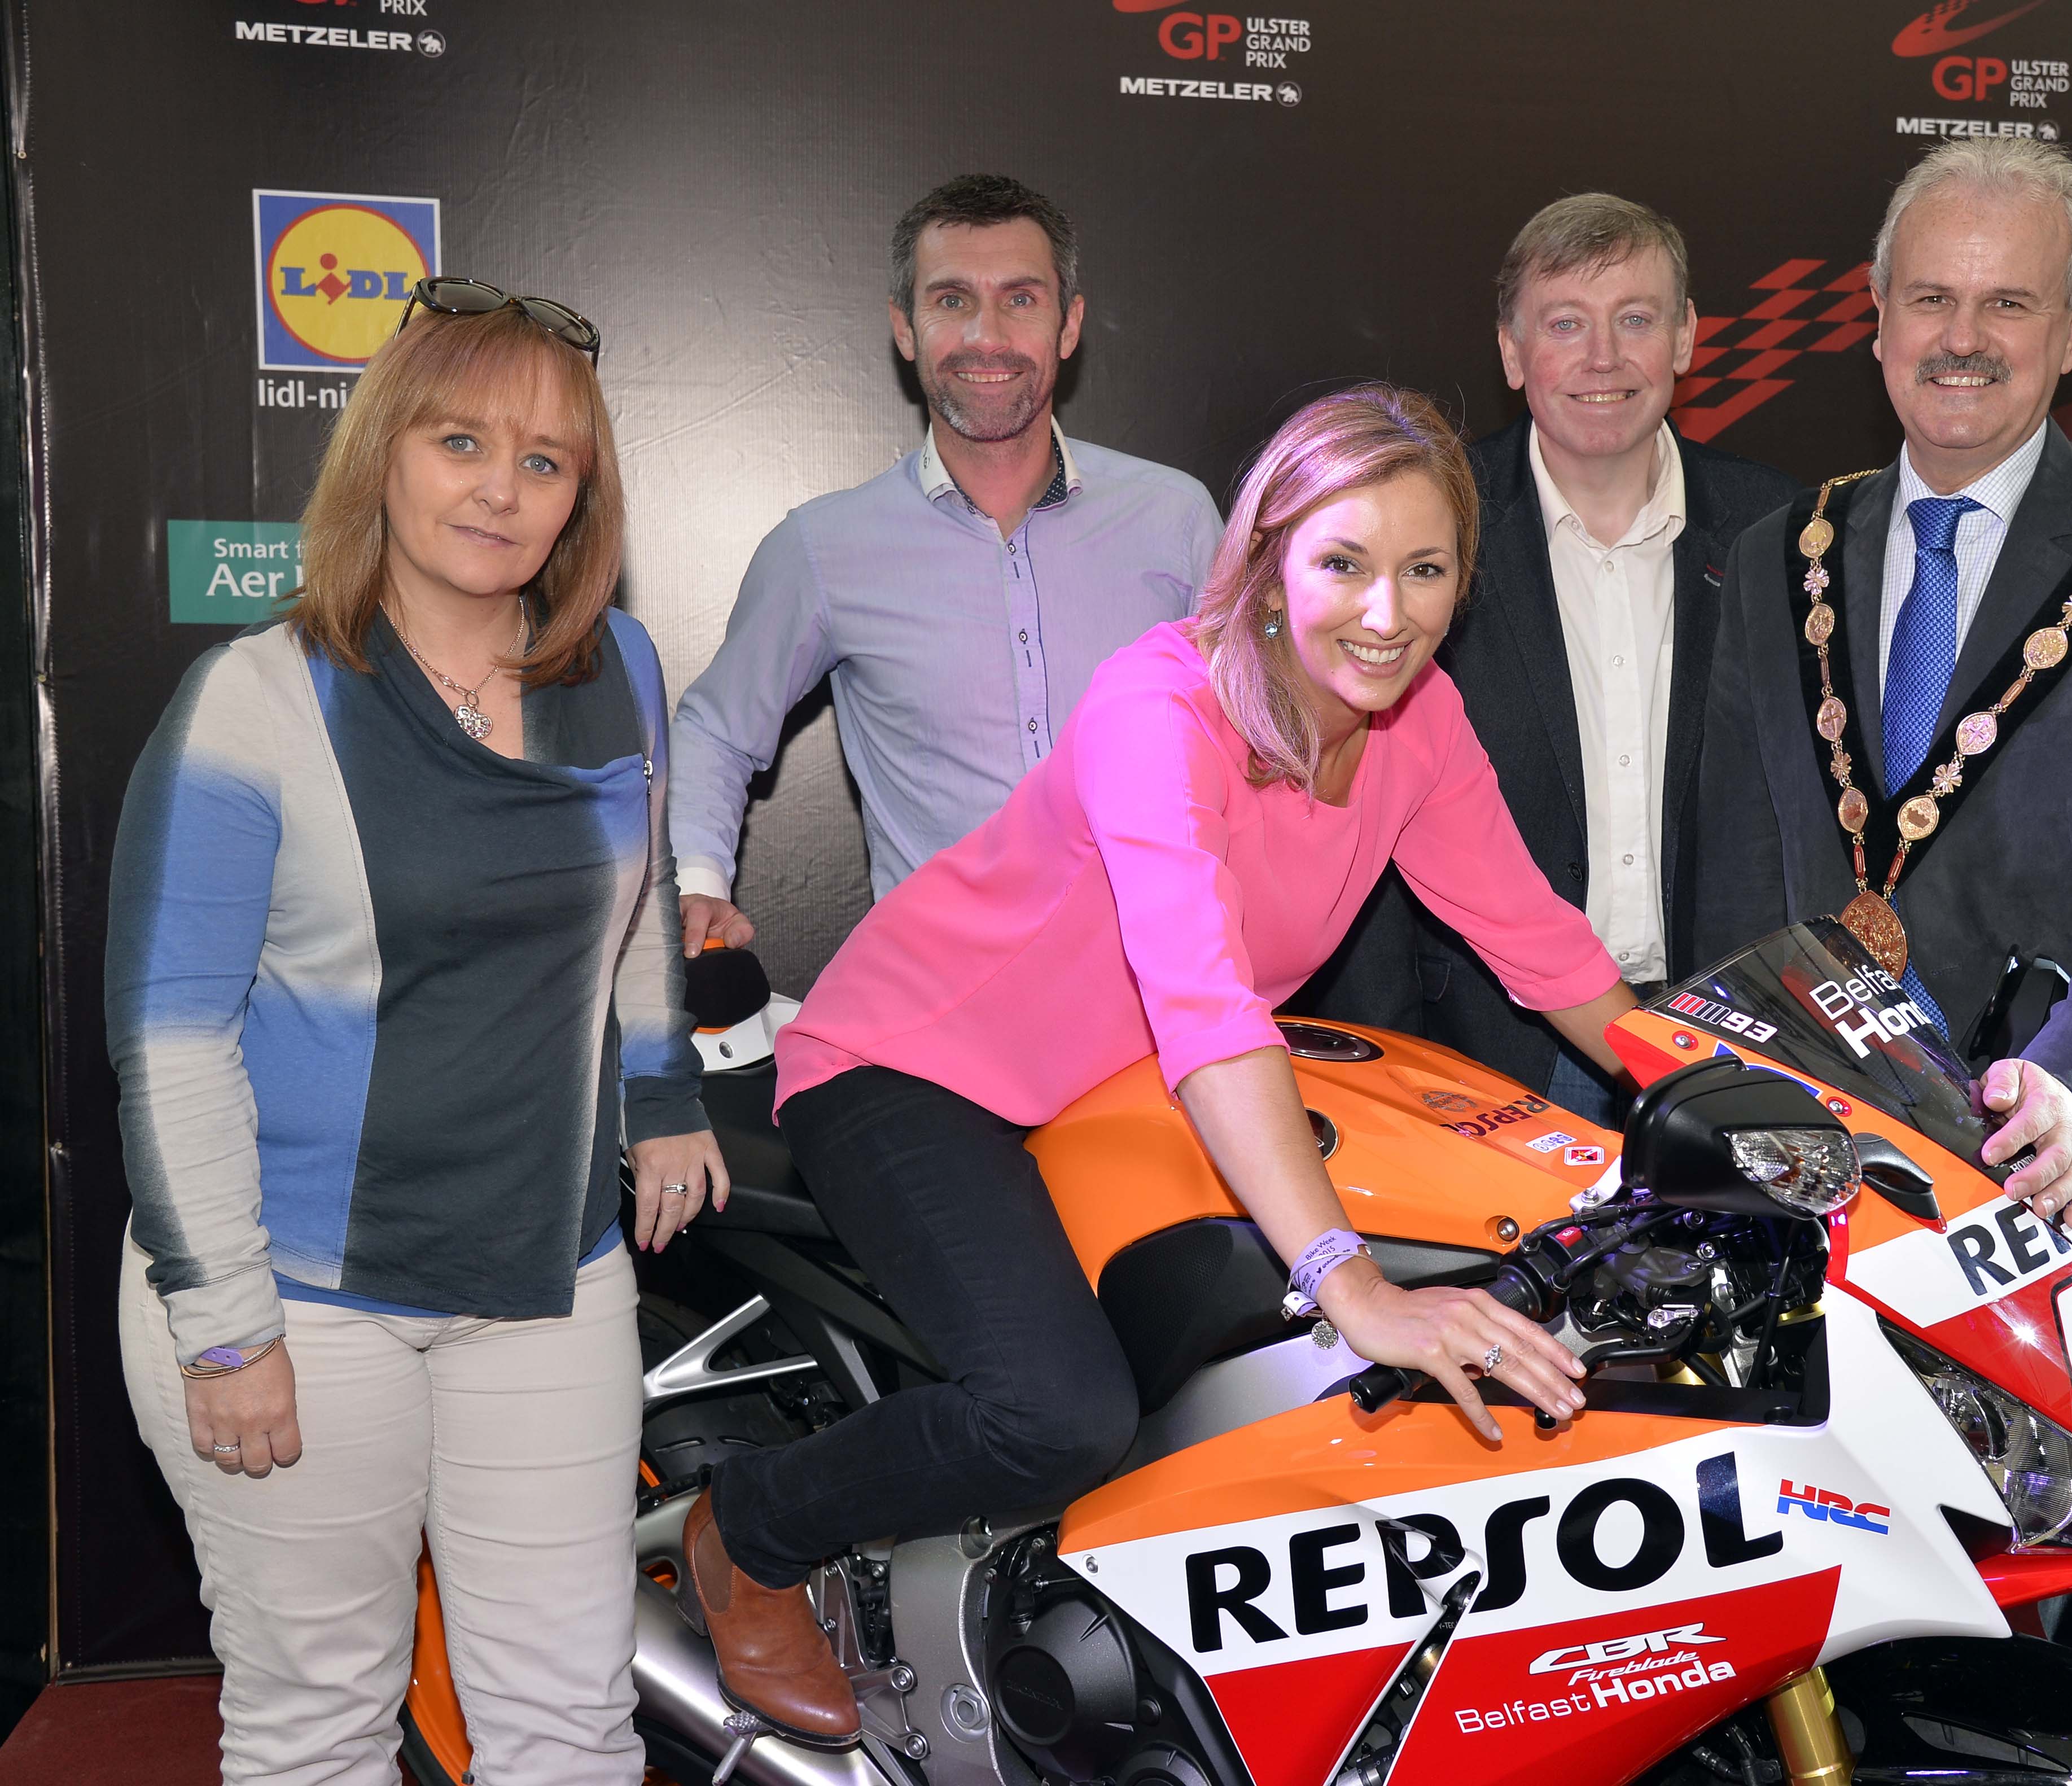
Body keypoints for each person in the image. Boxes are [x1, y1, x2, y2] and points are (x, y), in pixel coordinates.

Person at [675, 386, 1635, 1743]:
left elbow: (1538, 942)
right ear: (1265, 560)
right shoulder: (1161, 702)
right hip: (914, 1067)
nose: (1386, 611)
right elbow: (1204, 1002)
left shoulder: (1416, 724)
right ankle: (753, 1531)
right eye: (1343, 563)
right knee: (1058, 1412)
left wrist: (1735, 1091)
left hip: (1108, 1096)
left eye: (1425, 570)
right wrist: (1344, 1279)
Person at [1694, 139, 2072, 1715]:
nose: (1965, 336)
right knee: (1879, 1665)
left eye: (2008, 300)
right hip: (1858, 1212)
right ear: (1875, 318)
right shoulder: (1777, 557)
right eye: (1933, 297)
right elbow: (1746, 882)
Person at [105, 283, 724, 1785]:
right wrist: (230, 1324)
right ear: (386, 447)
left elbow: (635, 913)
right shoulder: (254, 703)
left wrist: (662, 1091)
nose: (498, 490)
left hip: (548, 1273)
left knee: (568, 1720)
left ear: (583, 496)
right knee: (320, 1721)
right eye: (462, 440)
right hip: (300, 1296)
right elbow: (169, 1037)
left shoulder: (622, 669)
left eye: (543, 461)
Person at [1293, 194, 1796, 1123]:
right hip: (1484, 1053)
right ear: (1513, 352)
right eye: (1566, 324)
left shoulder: (1781, 533)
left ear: (1686, 337)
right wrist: (1388, 1069)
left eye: (1635, 320)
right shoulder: (1428, 526)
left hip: (1723, 1036)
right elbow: (1349, 799)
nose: (1603, 358)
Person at [671, 174, 1223, 954]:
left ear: (1070, 326)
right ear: (906, 329)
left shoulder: (1176, 519)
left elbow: (1258, 734)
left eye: (1021, 299)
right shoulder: (825, 548)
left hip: (1155, 992)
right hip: (937, 1005)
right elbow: (718, 730)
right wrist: (698, 883)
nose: (986, 337)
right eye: (952, 301)